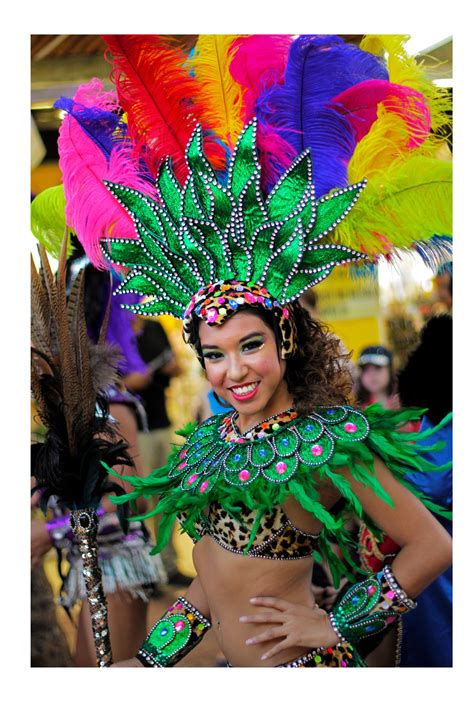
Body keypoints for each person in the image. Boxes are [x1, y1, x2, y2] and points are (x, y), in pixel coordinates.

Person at [53, 34, 452, 667]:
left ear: (285, 337)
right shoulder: (215, 444)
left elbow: (431, 546)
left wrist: (339, 628)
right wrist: (149, 665)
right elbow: (210, 585)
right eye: (214, 354)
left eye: (249, 345)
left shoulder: (325, 443)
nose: (233, 370)